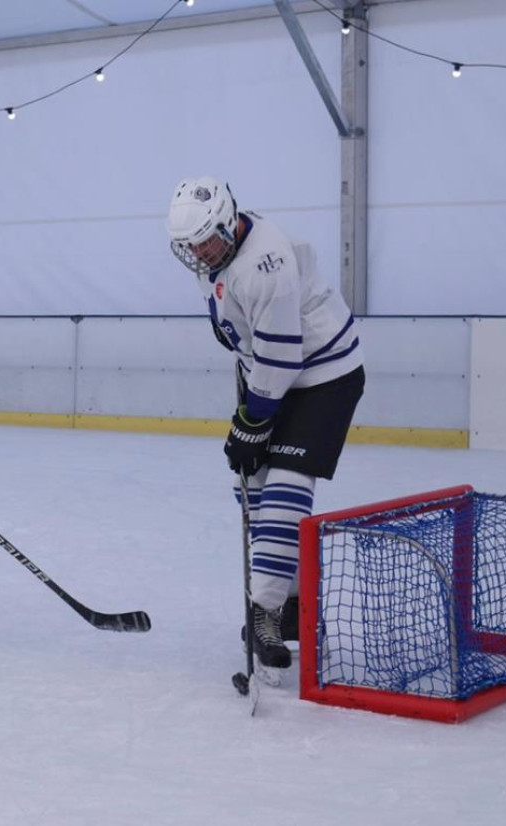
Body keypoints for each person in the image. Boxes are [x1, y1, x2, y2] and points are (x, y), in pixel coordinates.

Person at [166, 177, 364, 671]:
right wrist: (247, 423)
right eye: (193, 246)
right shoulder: (219, 256)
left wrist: (252, 423)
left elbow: (281, 358)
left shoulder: (264, 263)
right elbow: (249, 344)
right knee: (251, 485)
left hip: (324, 376)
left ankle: (265, 612)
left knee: (286, 486)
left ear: (230, 219)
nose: (203, 252)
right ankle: (293, 605)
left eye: (209, 240)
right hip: (275, 375)